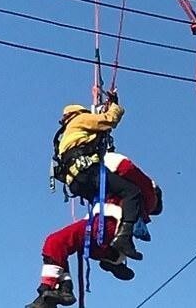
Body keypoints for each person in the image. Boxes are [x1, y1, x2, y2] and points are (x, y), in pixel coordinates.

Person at [27, 154, 162, 307]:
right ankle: (110, 262)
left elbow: (125, 167)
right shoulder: (139, 201)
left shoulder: (142, 192)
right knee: (62, 245)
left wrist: (101, 158)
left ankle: (53, 287)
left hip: (105, 226)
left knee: (55, 242)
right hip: (102, 232)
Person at [53, 91, 143, 261]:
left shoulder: (66, 135)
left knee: (110, 206)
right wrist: (115, 106)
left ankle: (112, 255)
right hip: (88, 173)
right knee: (131, 192)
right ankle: (123, 238)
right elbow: (109, 120)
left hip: (76, 182)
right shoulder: (79, 119)